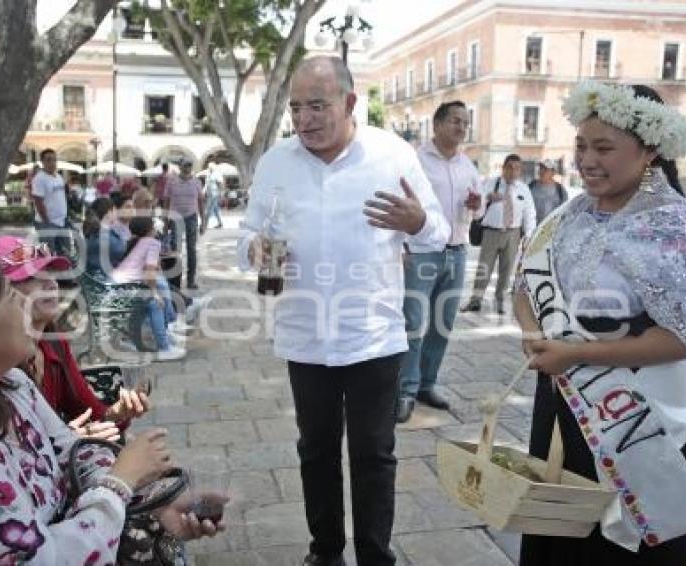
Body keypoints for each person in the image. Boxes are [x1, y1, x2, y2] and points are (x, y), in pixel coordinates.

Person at [0, 240, 221, 563]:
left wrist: (151, 502)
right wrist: (120, 483)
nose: (27, 300)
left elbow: (72, 451)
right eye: (10, 294)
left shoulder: (10, 384)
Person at [238, 56, 449, 566]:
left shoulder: (392, 155)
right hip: (305, 334)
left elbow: (438, 234)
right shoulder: (276, 163)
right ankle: (325, 551)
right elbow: (247, 233)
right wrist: (255, 249)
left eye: (317, 105)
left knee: (374, 455)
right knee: (316, 452)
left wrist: (418, 221)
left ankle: (376, 555)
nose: (304, 118)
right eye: (296, 107)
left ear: (350, 103)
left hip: (372, 335)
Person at [514, 82, 686, 565]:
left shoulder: (677, 226)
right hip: (564, 406)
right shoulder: (570, 214)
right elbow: (524, 284)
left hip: (636, 414)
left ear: (649, 150)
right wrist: (532, 332)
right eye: (581, 146)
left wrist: (580, 354)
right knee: (561, 532)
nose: (587, 160)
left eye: (604, 148)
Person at [0, 235, 150, 441]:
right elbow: (13, 456)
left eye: (50, 272)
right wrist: (68, 442)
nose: (51, 283)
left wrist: (118, 413)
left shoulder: (54, 343)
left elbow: (87, 412)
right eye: (31, 277)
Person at [396, 100, 483, 423]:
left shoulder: (468, 166)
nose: (461, 128)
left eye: (465, 122)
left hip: (457, 251)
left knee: (442, 324)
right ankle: (405, 390)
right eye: (455, 121)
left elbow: (479, 210)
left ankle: (426, 385)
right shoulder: (416, 162)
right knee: (413, 324)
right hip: (422, 252)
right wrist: (402, 246)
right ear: (437, 125)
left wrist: (477, 204)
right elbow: (401, 203)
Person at [462, 153, 536, 314]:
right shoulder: (491, 183)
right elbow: (477, 205)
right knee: (484, 268)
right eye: (510, 167)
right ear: (503, 168)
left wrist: (529, 236)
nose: (513, 171)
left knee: (506, 269)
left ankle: (500, 302)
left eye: (517, 168)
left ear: (521, 171)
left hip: (513, 234)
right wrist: (488, 198)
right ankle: (475, 301)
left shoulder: (524, 189)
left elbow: (529, 213)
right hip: (491, 232)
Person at [115, 216, 186, 360]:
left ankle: (165, 333)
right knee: (155, 303)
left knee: (159, 290)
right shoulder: (152, 243)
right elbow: (149, 274)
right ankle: (164, 347)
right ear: (150, 230)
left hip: (119, 289)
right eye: (154, 227)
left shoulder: (136, 242)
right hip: (127, 290)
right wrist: (155, 294)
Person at [161, 157, 204, 289]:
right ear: (180, 166)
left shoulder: (197, 182)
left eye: (190, 165)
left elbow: (201, 202)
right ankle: (175, 281)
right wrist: (165, 220)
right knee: (175, 250)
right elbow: (166, 201)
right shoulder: (171, 182)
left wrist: (203, 221)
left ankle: (191, 280)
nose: (187, 168)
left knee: (191, 250)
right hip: (175, 218)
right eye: (185, 165)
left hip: (191, 217)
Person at [32, 148, 73, 258]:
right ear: (42, 162)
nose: (52, 163)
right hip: (47, 223)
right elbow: (38, 202)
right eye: (49, 160)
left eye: (54, 160)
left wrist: (66, 216)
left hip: (62, 222)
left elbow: (61, 198)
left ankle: (65, 274)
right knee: (48, 256)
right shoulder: (39, 179)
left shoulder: (59, 177)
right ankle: (50, 274)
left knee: (66, 253)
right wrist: (46, 222)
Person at [201, 162, 224, 233]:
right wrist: (203, 191)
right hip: (209, 194)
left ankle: (204, 225)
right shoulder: (208, 174)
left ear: (213, 167)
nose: (209, 168)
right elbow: (206, 184)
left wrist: (221, 193)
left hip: (215, 194)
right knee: (216, 210)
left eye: (210, 167)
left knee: (208, 209)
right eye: (209, 167)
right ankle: (220, 223)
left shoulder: (217, 174)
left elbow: (221, 184)